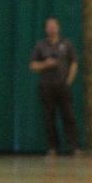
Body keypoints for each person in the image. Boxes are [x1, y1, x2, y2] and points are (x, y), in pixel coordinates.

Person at [29, 16, 80, 157]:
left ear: (58, 27)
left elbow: (74, 62)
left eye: (54, 26)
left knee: (68, 116)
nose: (52, 28)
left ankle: (73, 147)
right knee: (49, 117)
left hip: (63, 85)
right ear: (46, 29)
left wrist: (69, 80)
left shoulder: (66, 44)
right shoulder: (41, 45)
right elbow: (33, 65)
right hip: (47, 86)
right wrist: (46, 64)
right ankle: (53, 148)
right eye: (49, 26)